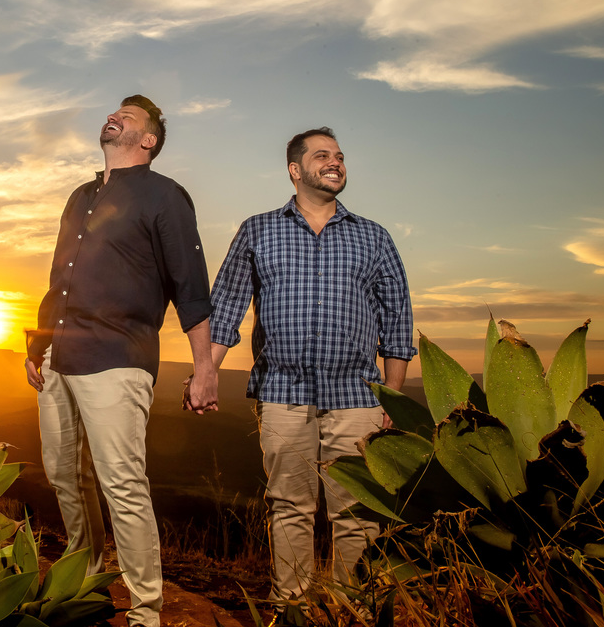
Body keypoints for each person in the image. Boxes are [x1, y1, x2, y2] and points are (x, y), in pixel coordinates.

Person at [24, 95, 218, 627]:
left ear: (148, 140)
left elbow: (191, 288)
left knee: (122, 485)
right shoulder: (79, 196)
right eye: (115, 113)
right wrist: (36, 344)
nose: (115, 116)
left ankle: (146, 612)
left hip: (118, 358)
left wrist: (205, 369)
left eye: (129, 117)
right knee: (65, 475)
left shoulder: (165, 196)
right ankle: (83, 582)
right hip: (59, 357)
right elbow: (59, 279)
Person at [205, 127, 415, 603]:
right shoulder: (258, 229)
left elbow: (397, 320)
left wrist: (394, 400)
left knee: (358, 510)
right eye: (322, 155)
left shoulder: (373, 237)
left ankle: (349, 610)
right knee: (289, 507)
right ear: (295, 170)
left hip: (358, 397)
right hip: (282, 392)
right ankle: (293, 609)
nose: (335, 161)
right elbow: (227, 307)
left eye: (339, 155)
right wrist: (205, 372)